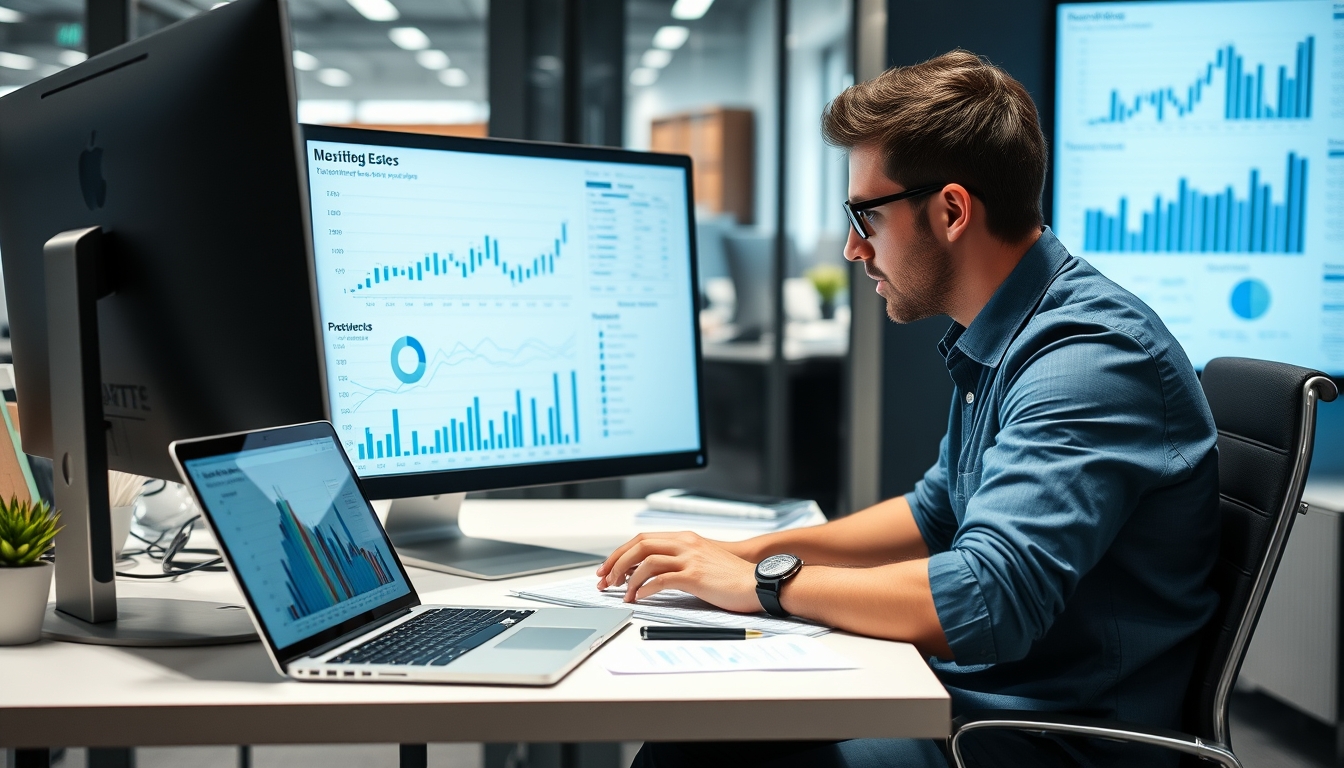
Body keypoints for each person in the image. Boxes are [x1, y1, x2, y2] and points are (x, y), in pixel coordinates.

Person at [600, 50, 1220, 768]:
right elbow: (934, 514)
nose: (852, 246)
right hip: (985, 701)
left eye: (867, 213)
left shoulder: (1086, 363)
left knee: (701, 755)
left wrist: (763, 585)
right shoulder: (1011, 333)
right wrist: (742, 554)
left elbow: (988, 600)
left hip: (1044, 739)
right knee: (707, 733)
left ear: (952, 211)